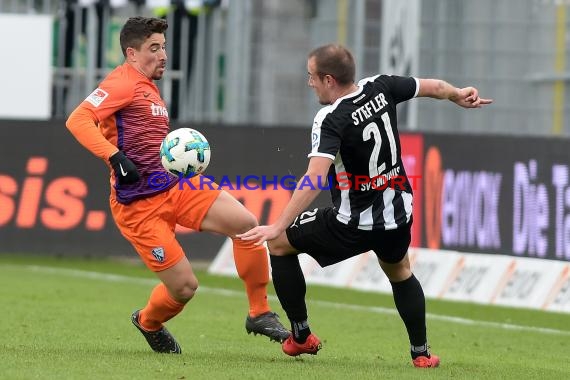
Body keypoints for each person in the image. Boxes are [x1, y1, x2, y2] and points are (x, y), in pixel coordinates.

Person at [238, 44, 492, 367]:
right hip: (397, 213)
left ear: (328, 79)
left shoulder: (330, 118)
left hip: (351, 223)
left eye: (311, 77)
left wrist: (277, 224)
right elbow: (434, 87)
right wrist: (458, 94)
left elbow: (314, 178)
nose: (309, 83)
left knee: (278, 242)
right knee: (400, 272)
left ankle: (300, 337)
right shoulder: (381, 86)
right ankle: (422, 354)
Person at [65, 16, 289, 354]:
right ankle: (148, 322)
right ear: (132, 53)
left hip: (175, 187)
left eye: (164, 47)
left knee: (245, 225)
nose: (163, 55)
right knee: (185, 287)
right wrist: (115, 157)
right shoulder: (121, 83)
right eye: (153, 48)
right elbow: (78, 119)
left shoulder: (148, 86)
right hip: (139, 207)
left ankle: (259, 312)